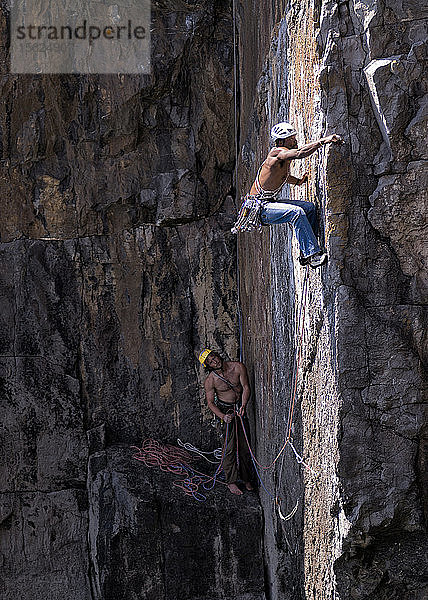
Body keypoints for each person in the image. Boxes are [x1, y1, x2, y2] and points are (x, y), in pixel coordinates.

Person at [232, 121, 343, 268]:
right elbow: (299, 153)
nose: (295, 140)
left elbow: (281, 176)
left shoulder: (281, 160)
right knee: (296, 212)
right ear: (282, 141)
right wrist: (323, 141)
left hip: (269, 203)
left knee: (309, 208)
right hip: (260, 208)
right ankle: (312, 255)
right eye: (292, 138)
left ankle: (307, 251)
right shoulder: (277, 153)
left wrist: (298, 181)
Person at [199, 348, 253, 496]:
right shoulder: (211, 380)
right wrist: (223, 416)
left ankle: (246, 478)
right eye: (210, 361)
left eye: (214, 357)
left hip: (239, 408)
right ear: (208, 366)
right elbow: (210, 403)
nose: (214, 361)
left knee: (244, 446)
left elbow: (246, 387)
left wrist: (243, 405)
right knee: (229, 449)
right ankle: (231, 481)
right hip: (226, 411)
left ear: (218, 355)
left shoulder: (238, 367)